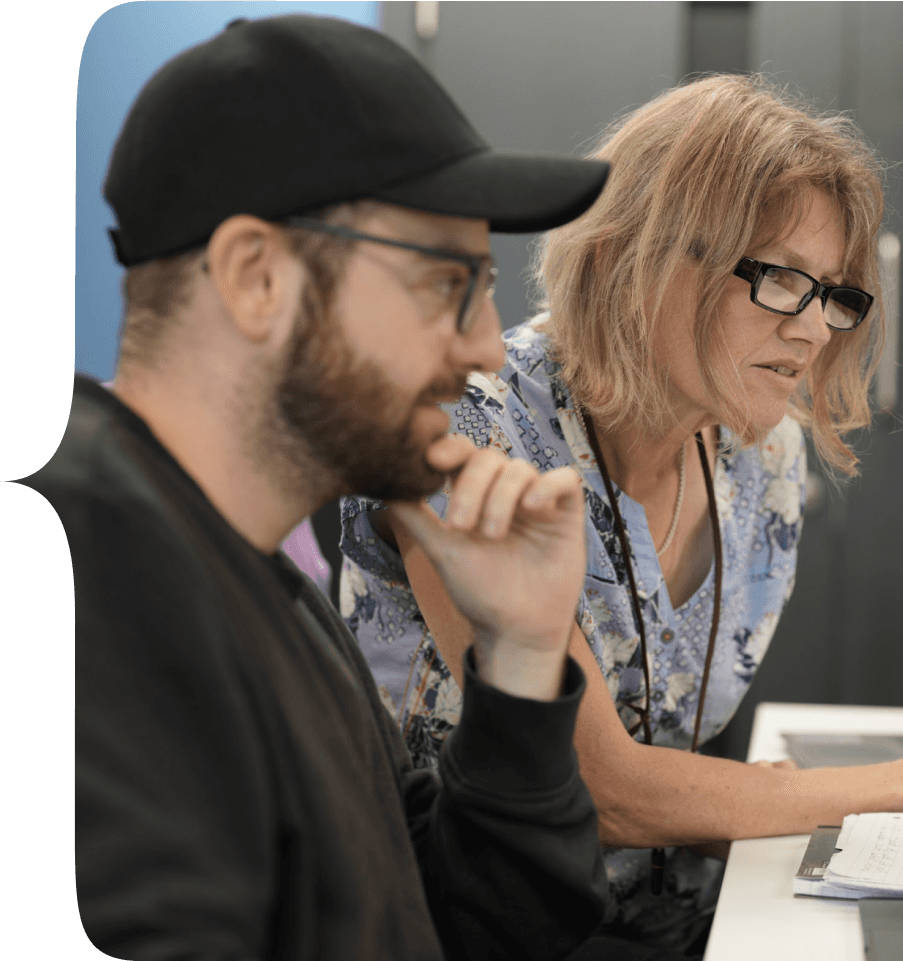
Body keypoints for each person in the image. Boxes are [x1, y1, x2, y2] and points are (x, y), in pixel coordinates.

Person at [341, 74, 903, 954]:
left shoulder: (763, 458)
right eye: (784, 278)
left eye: (833, 292)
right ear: (636, 254)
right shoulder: (472, 428)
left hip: (674, 920)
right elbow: (601, 786)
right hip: (475, 928)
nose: (818, 329)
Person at [25, 15, 616, 960]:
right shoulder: (85, 565)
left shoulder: (269, 576)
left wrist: (519, 656)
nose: (482, 348)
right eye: (447, 284)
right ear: (257, 277)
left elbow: (464, 923)